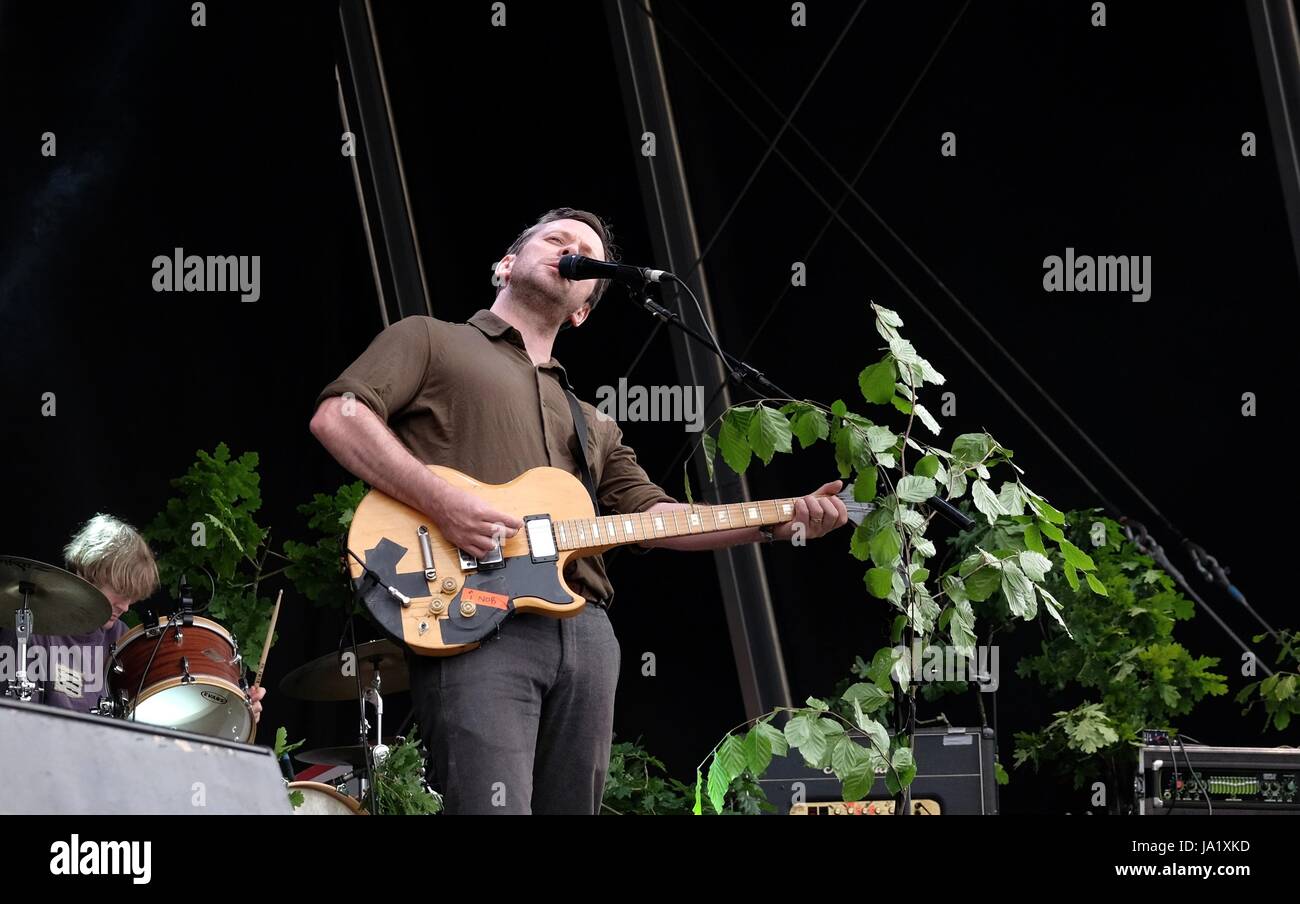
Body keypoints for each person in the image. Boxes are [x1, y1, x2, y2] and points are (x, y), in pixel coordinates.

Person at [309, 207, 848, 814]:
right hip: (471, 617)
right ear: (506, 266)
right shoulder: (431, 340)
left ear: (584, 306)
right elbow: (340, 416)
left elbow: (657, 518)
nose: (569, 247)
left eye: (585, 251)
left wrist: (774, 522)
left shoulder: (592, 422)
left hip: (585, 631)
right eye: (554, 238)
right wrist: (444, 503)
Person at [0, 514, 266, 722]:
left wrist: (232, 710)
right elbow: (19, 732)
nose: (126, 606)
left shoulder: (122, 639)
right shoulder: (31, 628)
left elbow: (156, 723)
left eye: (133, 597)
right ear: (85, 573)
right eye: (120, 592)